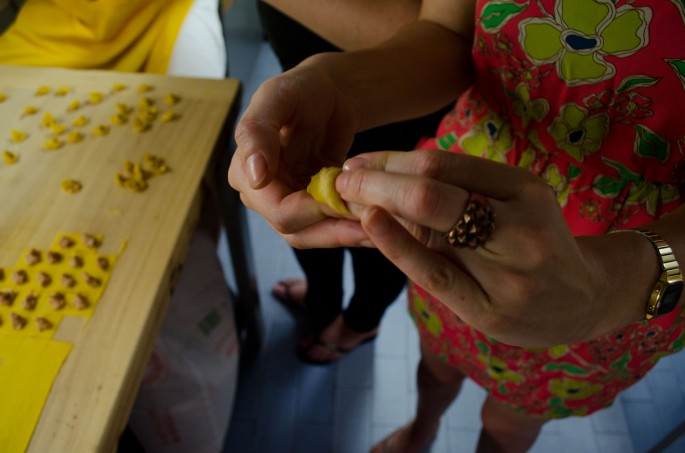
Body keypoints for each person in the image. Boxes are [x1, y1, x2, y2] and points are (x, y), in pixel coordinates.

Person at [229, 0, 685, 451]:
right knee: (437, 366)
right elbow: (450, 33)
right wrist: (337, 82)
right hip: (456, 199)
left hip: (633, 263)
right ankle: (421, 432)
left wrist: (608, 291)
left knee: (508, 426)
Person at [257, 0, 450, 364]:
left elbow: (443, 30)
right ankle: (322, 300)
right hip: (308, 80)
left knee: (379, 231)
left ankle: (360, 322)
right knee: (308, 214)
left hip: (401, 99)